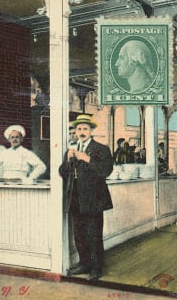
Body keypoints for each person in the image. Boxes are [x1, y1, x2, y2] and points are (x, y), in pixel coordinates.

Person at [58, 114, 113, 282]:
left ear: (91, 131)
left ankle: (96, 268)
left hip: (94, 199)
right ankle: (84, 263)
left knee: (94, 233)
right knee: (79, 233)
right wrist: (67, 162)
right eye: (79, 129)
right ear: (75, 131)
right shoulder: (71, 149)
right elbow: (62, 172)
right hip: (75, 198)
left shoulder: (101, 149)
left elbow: (105, 171)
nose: (81, 132)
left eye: (85, 129)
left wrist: (87, 158)